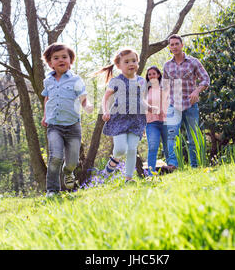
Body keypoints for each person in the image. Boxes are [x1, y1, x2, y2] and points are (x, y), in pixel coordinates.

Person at [41, 43, 93, 197]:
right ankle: (52, 190)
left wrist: (87, 105)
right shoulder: (48, 81)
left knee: (72, 161)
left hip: (73, 126)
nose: (61, 60)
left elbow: (83, 98)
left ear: (71, 60)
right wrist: (45, 116)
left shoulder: (76, 79)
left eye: (64, 57)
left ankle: (68, 171)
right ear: (50, 63)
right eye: (56, 58)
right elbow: (47, 99)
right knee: (55, 156)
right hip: (54, 125)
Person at [97, 47, 151, 183]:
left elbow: (141, 100)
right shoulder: (116, 81)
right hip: (119, 119)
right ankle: (114, 159)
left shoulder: (141, 81)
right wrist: (106, 110)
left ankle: (128, 179)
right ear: (119, 66)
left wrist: (149, 107)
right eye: (126, 62)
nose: (131, 64)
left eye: (134, 61)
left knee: (132, 149)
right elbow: (105, 98)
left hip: (136, 120)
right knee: (121, 149)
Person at [163, 34, 210, 169]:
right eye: (171, 45)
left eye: (177, 44)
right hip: (173, 106)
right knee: (171, 136)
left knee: (193, 137)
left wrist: (196, 91)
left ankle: (194, 166)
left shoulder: (193, 62)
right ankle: (172, 165)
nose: (174, 46)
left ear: (182, 45)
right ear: (169, 48)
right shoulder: (167, 66)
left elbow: (205, 79)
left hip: (190, 105)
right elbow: (164, 87)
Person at [145, 66, 169, 176]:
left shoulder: (164, 88)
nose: (151, 76)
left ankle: (171, 169)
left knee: (168, 146)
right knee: (153, 147)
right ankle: (151, 174)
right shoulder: (146, 90)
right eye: (149, 74)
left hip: (165, 121)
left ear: (158, 75)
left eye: (153, 73)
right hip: (151, 122)